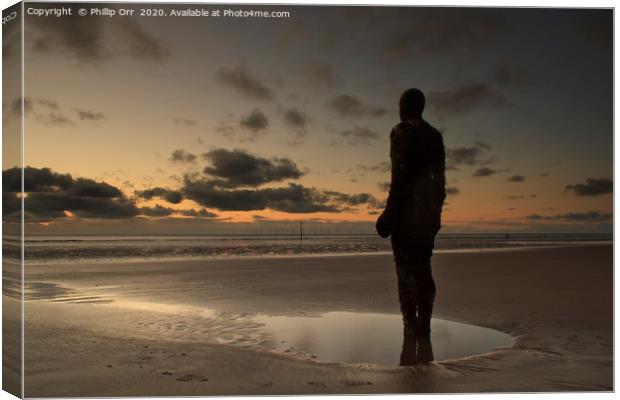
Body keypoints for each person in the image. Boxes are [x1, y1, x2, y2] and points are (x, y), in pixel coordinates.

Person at [376, 88, 446, 337]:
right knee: (423, 267)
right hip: (428, 214)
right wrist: (436, 215)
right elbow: (440, 183)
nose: (399, 107)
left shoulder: (402, 132)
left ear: (406, 106)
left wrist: (388, 215)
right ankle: (424, 324)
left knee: (405, 271)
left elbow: (400, 177)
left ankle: (410, 325)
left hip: (408, 214)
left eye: (400, 103)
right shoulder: (435, 137)